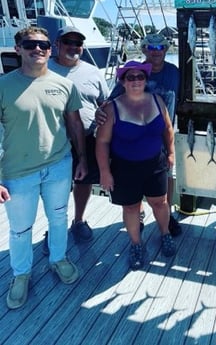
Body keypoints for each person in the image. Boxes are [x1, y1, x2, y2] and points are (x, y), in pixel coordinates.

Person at [0, 27, 87, 309]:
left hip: (59, 166)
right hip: (16, 172)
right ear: (18, 48)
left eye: (43, 45)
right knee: (20, 230)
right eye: (30, 44)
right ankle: (21, 275)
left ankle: (58, 259)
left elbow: (74, 124)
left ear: (51, 49)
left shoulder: (64, 85)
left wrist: (82, 159)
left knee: (59, 218)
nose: (37, 49)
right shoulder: (3, 85)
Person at [97, 33, 181, 236]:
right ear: (144, 50)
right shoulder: (134, 72)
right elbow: (112, 101)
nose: (155, 52)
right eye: (150, 48)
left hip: (162, 132)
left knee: (166, 179)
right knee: (134, 189)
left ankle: (166, 217)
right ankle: (139, 214)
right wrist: (101, 111)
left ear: (166, 50)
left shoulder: (175, 72)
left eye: (160, 48)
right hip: (133, 137)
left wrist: (171, 150)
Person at [95, 60, 176, 269]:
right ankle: (136, 244)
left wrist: (171, 153)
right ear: (122, 81)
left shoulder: (158, 100)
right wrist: (105, 172)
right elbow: (102, 142)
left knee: (160, 202)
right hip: (125, 167)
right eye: (130, 77)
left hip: (155, 163)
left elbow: (168, 129)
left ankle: (165, 233)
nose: (136, 80)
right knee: (130, 207)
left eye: (140, 76)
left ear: (145, 79)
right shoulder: (111, 108)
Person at [44, 26, 110, 251]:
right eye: (67, 42)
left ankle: (78, 220)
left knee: (84, 182)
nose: (73, 47)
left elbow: (104, 102)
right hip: (54, 141)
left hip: (88, 137)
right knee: (55, 187)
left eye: (77, 43)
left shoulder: (93, 72)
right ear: (57, 45)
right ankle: (55, 228)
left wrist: (103, 112)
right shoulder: (44, 69)